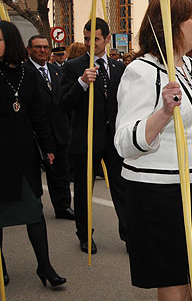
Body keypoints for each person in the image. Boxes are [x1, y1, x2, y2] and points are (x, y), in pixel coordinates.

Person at [113, 0, 192, 300]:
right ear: (171, 26)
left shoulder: (191, 66)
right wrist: (163, 112)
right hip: (160, 191)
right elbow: (124, 141)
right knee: (175, 276)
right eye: (191, 18)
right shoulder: (142, 71)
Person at [0, 21, 66, 288]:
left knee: (34, 213)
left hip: (24, 154)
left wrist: (48, 147)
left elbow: (38, 115)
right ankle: (0, 265)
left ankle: (45, 266)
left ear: (12, 42)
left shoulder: (28, 75)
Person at [60, 18, 127, 254]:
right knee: (83, 190)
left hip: (113, 140)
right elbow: (64, 103)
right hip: (86, 138)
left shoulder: (119, 68)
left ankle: (128, 234)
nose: (90, 43)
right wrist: (81, 83)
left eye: (95, 39)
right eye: (86, 38)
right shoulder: (74, 67)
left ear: (107, 39)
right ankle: (85, 234)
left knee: (122, 187)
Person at [25, 35, 74, 220]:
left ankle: (63, 207)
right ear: (29, 50)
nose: (43, 50)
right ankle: (31, 209)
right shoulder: (25, 71)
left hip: (59, 130)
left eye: (46, 47)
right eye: (38, 47)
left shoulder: (56, 70)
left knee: (61, 173)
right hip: (35, 132)